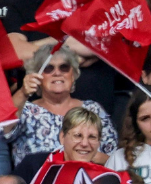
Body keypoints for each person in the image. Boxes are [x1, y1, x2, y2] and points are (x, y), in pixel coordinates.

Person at [10, 48, 117, 177]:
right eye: (49, 68)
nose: (57, 73)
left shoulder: (93, 109)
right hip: (36, 183)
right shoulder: (26, 110)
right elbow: (2, 132)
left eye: (64, 67)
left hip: (87, 181)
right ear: (37, 76)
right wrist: (22, 93)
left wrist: (92, 157)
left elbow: (114, 158)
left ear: (73, 75)